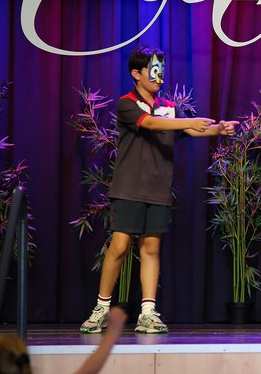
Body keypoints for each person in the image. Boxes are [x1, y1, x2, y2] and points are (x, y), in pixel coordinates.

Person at [80, 45, 238, 335]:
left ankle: (148, 313)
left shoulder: (168, 106)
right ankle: (100, 309)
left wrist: (219, 129)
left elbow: (190, 129)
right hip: (129, 186)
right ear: (136, 74)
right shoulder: (126, 103)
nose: (159, 76)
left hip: (158, 187)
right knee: (120, 246)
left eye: (161, 70)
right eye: (153, 70)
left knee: (151, 247)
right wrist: (189, 121)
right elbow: (151, 124)